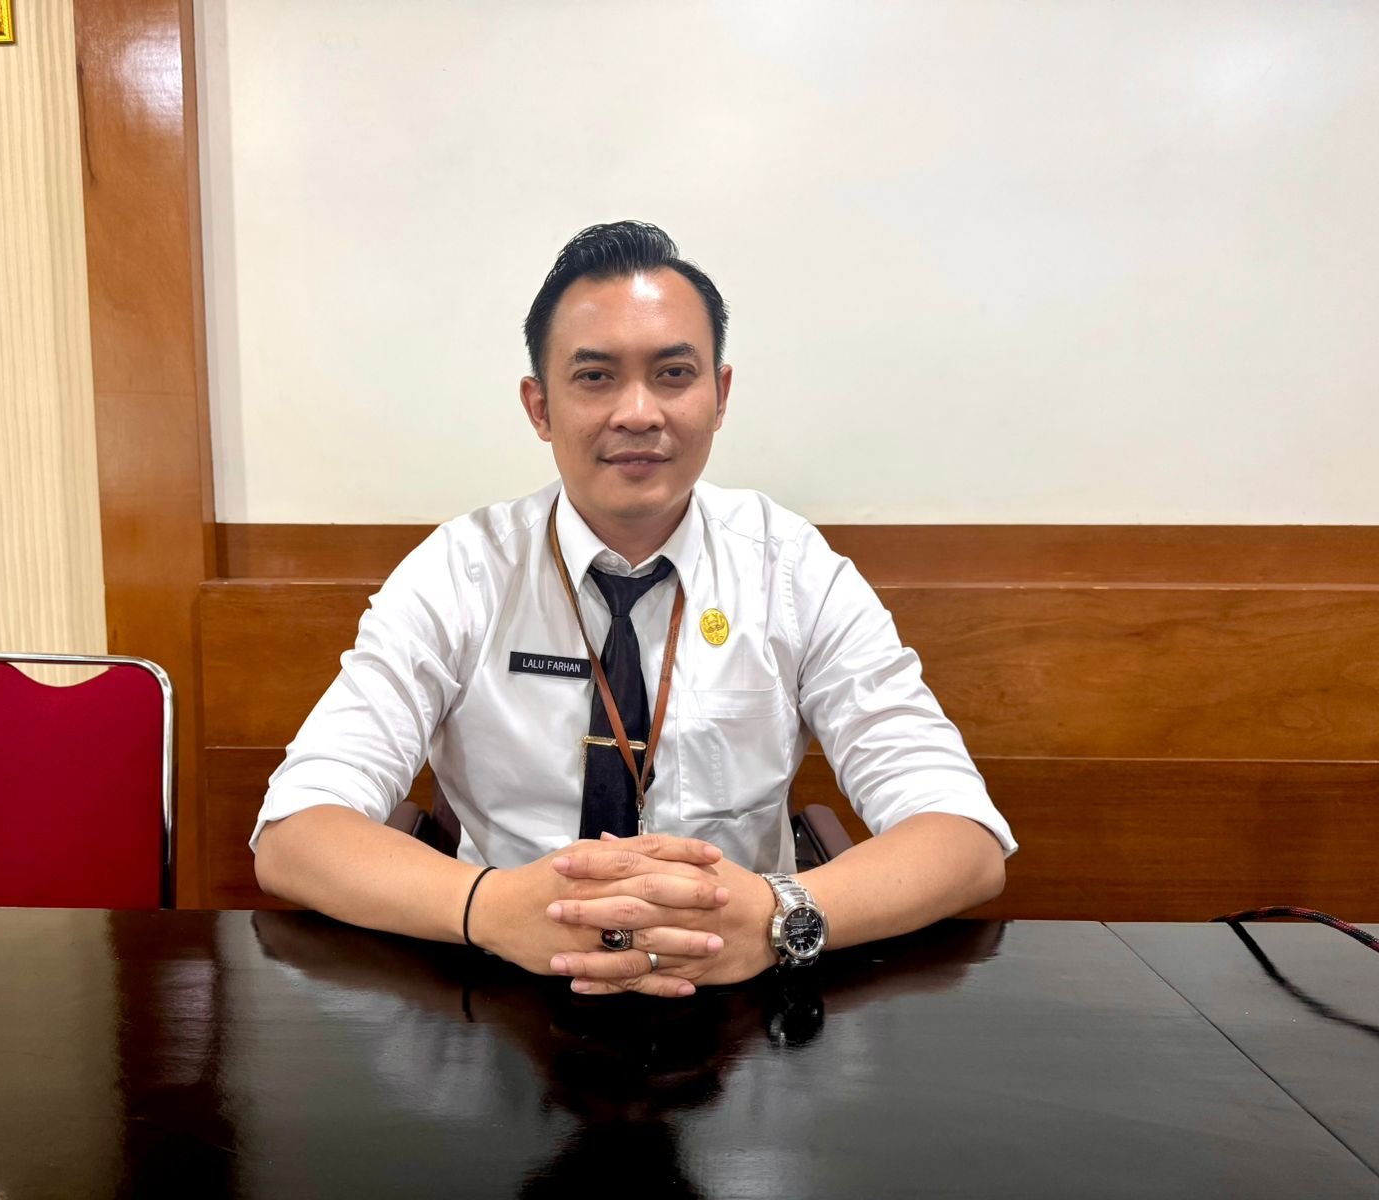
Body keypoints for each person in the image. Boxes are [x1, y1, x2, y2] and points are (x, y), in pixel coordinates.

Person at [253, 221, 1016, 999]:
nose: (639, 412)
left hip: (743, 981)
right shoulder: (461, 572)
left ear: (719, 396)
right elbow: (294, 832)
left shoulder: (790, 569)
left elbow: (963, 838)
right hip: (505, 982)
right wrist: (490, 906)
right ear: (540, 407)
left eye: (673, 374)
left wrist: (776, 913)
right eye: (595, 377)